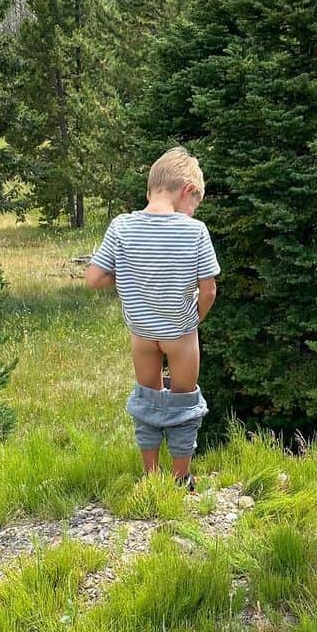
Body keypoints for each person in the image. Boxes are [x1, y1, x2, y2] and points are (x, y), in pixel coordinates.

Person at [86, 147, 219, 490]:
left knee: (147, 398)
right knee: (184, 403)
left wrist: (131, 276)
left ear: (151, 189)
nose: (193, 213)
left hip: (142, 333)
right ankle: (180, 477)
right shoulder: (195, 231)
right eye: (195, 205)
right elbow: (208, 291)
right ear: (188, 190)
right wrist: (196, 319)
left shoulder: (121, 226)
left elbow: (94, 279)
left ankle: (149, 475)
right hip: (181, 335)